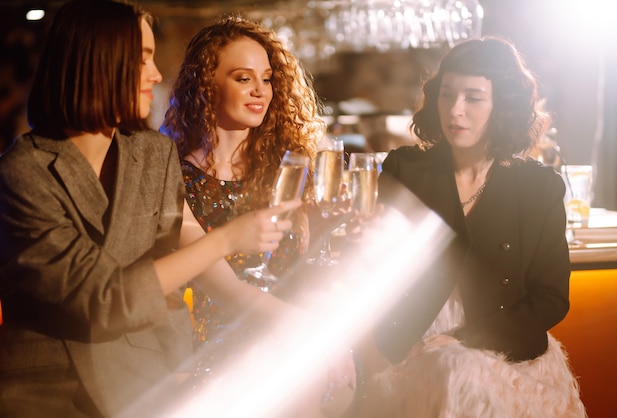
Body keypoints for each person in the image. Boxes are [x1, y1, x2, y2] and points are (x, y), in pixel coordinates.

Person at [0, 1, 298, 417]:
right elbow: (100, 297)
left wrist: (178, 373)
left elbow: (171, 286)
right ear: (97, 65)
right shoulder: (25, 170)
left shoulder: (154, 153)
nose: (157, 74)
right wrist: (228, 239)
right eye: (142, 60)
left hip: (141, 381)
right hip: (48, 391)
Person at [366, 37, 587, 417]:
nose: (456, 110)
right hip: (408, 341)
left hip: (505, 350)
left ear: (503, 105)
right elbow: (374, 271)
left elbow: (551, 298)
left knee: (455, 371)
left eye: (473, 97)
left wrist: (463, 341)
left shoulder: (537, 187)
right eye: (447, 94)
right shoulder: (406, 171)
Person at [161, 16, 355, 417]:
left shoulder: (293, 169)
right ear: (205, 84)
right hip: (216, 356)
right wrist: (319, 337)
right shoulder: (172, 176)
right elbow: (226, 291)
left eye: (266, 79)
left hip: (294, 342)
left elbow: (316, 262)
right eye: (242, 78)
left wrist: (345, 229)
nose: (260, 92)